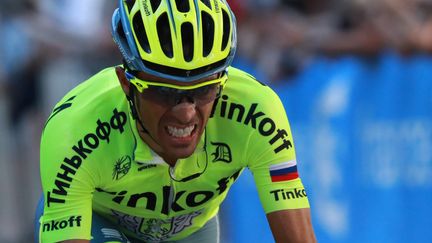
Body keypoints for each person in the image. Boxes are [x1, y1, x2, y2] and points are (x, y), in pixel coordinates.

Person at [35, 0, 316, 242]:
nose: (186, 113)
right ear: (126, 84)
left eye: (204, 90)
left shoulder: (256, 111)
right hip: (99, 222)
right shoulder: (77, 128)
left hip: (189, 231)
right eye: (164, 92)